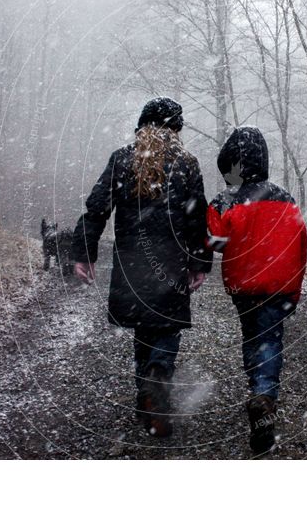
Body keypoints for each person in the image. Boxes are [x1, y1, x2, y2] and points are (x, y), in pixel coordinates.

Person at [71, 97, 212, 437]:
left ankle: (146, 394)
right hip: (171, 264)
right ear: (176, 130)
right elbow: (197, 219)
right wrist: (198, 263)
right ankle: (158, 378)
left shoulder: (122, 159)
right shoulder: (187, 164)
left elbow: (96, 209)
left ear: (142, 126)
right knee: (165, 329)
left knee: (142, 329)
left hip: (131, 264)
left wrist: (84, 252)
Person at [206, 126, 307, 456]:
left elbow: (214, 240)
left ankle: (257, 389)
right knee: (270, 339)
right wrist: (294, 291)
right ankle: (263, 394)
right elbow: (298, 244)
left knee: (252, 335)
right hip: (278, 286)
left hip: (244, 286)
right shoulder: (284, 198)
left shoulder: (227, 200)